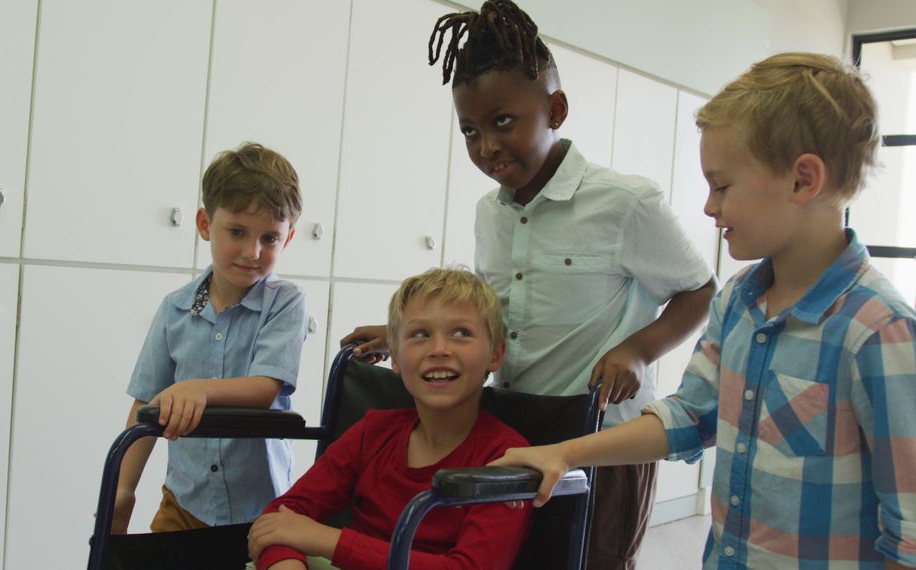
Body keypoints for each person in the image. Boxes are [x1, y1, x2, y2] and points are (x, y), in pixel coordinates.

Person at [492, 52, 916, 569]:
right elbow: (691, 416)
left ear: (803, 180)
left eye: (722, 186)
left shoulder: (879, 331)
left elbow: (909, 531)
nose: (709, 207)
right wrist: (566, 452)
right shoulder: (739, 300)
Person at [342, 1, 716, 566]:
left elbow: (699, 289)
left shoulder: (623, 202)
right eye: (470, 130)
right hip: (513, 429)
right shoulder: (488, 213)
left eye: (502, 122)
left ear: (555, 109)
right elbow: (491, 316)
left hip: (600, 439)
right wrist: (406, 335)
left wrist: (639, 350)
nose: (486, 146)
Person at [248, 268, 531, 570]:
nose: (439, 349)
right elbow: (281, 517)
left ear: (495, 354)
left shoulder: (506, 459)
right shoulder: (374, 432)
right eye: (420, 334)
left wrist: (325, 539)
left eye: (461, 333)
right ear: (395, 357)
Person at [111, 142, 308, 534]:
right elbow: (145, 402)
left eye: (269, 238)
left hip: (262, 510)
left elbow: (264, 388)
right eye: (237, 231)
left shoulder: (285, 302)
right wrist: (122, 490)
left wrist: (197, 390)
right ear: (204, 224)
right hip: (185, 503)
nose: (252, 251)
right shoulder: (175, 309)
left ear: (287, 240)